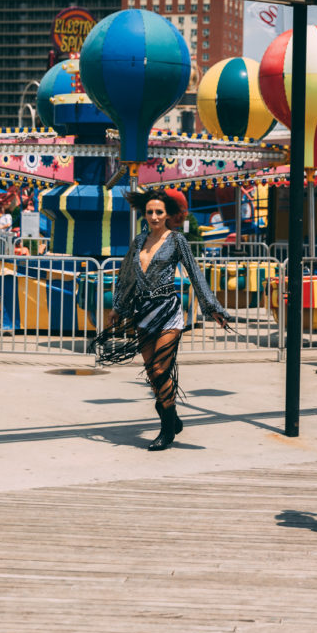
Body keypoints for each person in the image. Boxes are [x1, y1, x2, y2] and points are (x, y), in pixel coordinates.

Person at [91, 188, 231, 451]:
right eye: (150, 212)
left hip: (168, 311)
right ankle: (172, 415)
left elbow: (195, 274)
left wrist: (213, 308)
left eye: (159, 212)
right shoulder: (139, 241)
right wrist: (118, 308)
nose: (154, 216)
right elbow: (126, 277)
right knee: (153, 376)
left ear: (168, 215)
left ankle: (166, 431)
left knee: (159, 370)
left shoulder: (177, 241)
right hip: (142, 313)